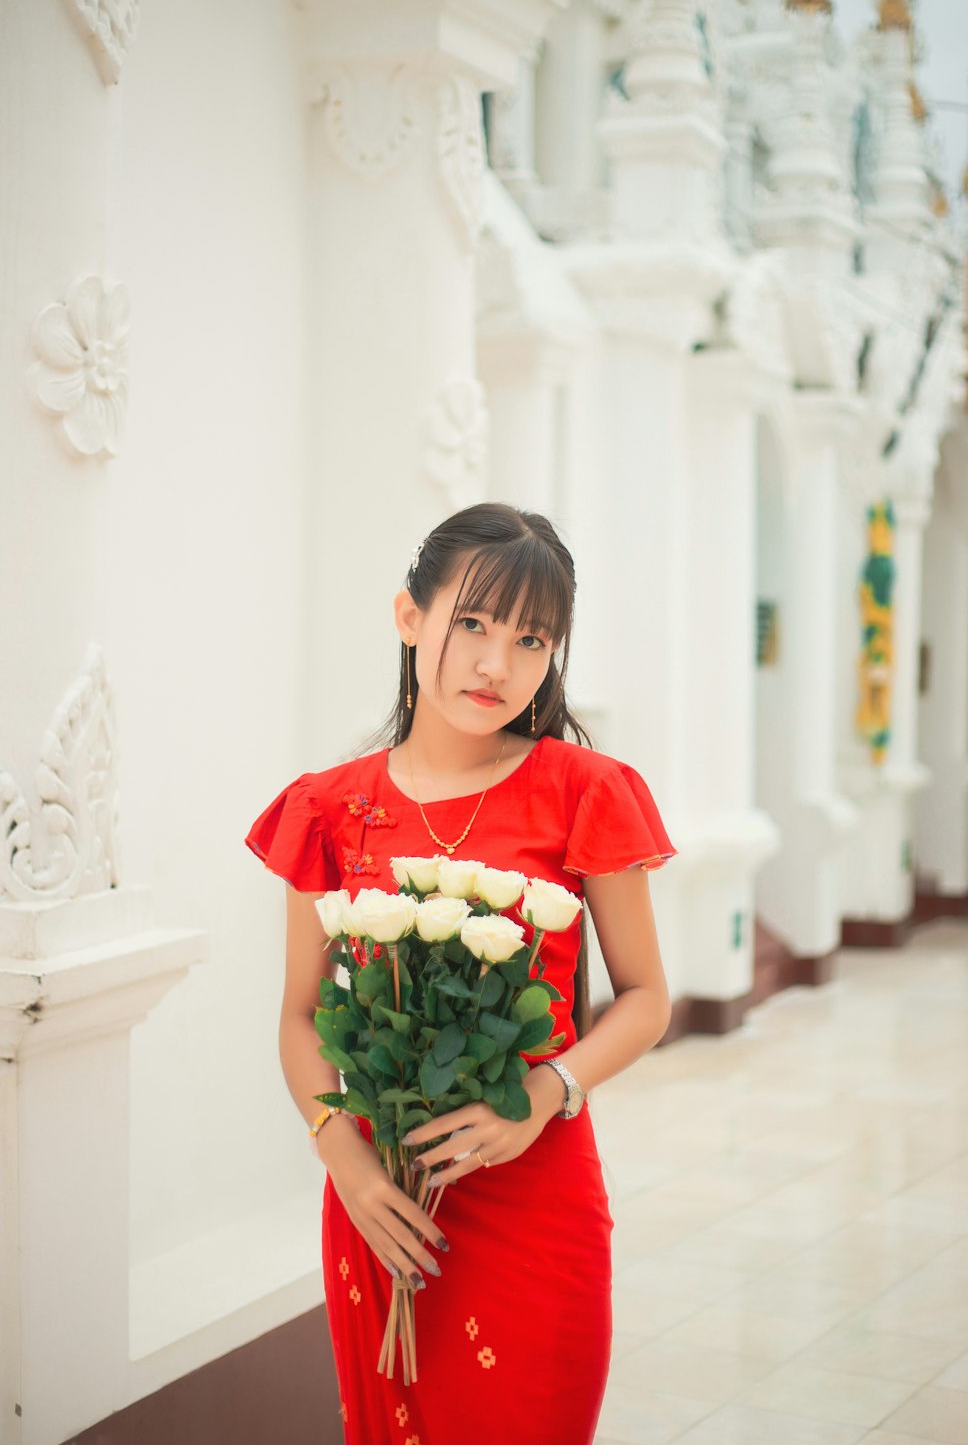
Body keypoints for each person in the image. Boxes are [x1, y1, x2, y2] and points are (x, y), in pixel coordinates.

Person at [244, 502, 676, 1445]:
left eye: (531, 639)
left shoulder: (585, 791)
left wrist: (545, 1092)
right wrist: (344, 1160)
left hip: (536, 1191)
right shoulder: (330, 807)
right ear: (410, 618)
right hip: (382, 1204)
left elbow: (646, 999)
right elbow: (299, 1015)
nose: (496, 664)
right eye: (472, 623)